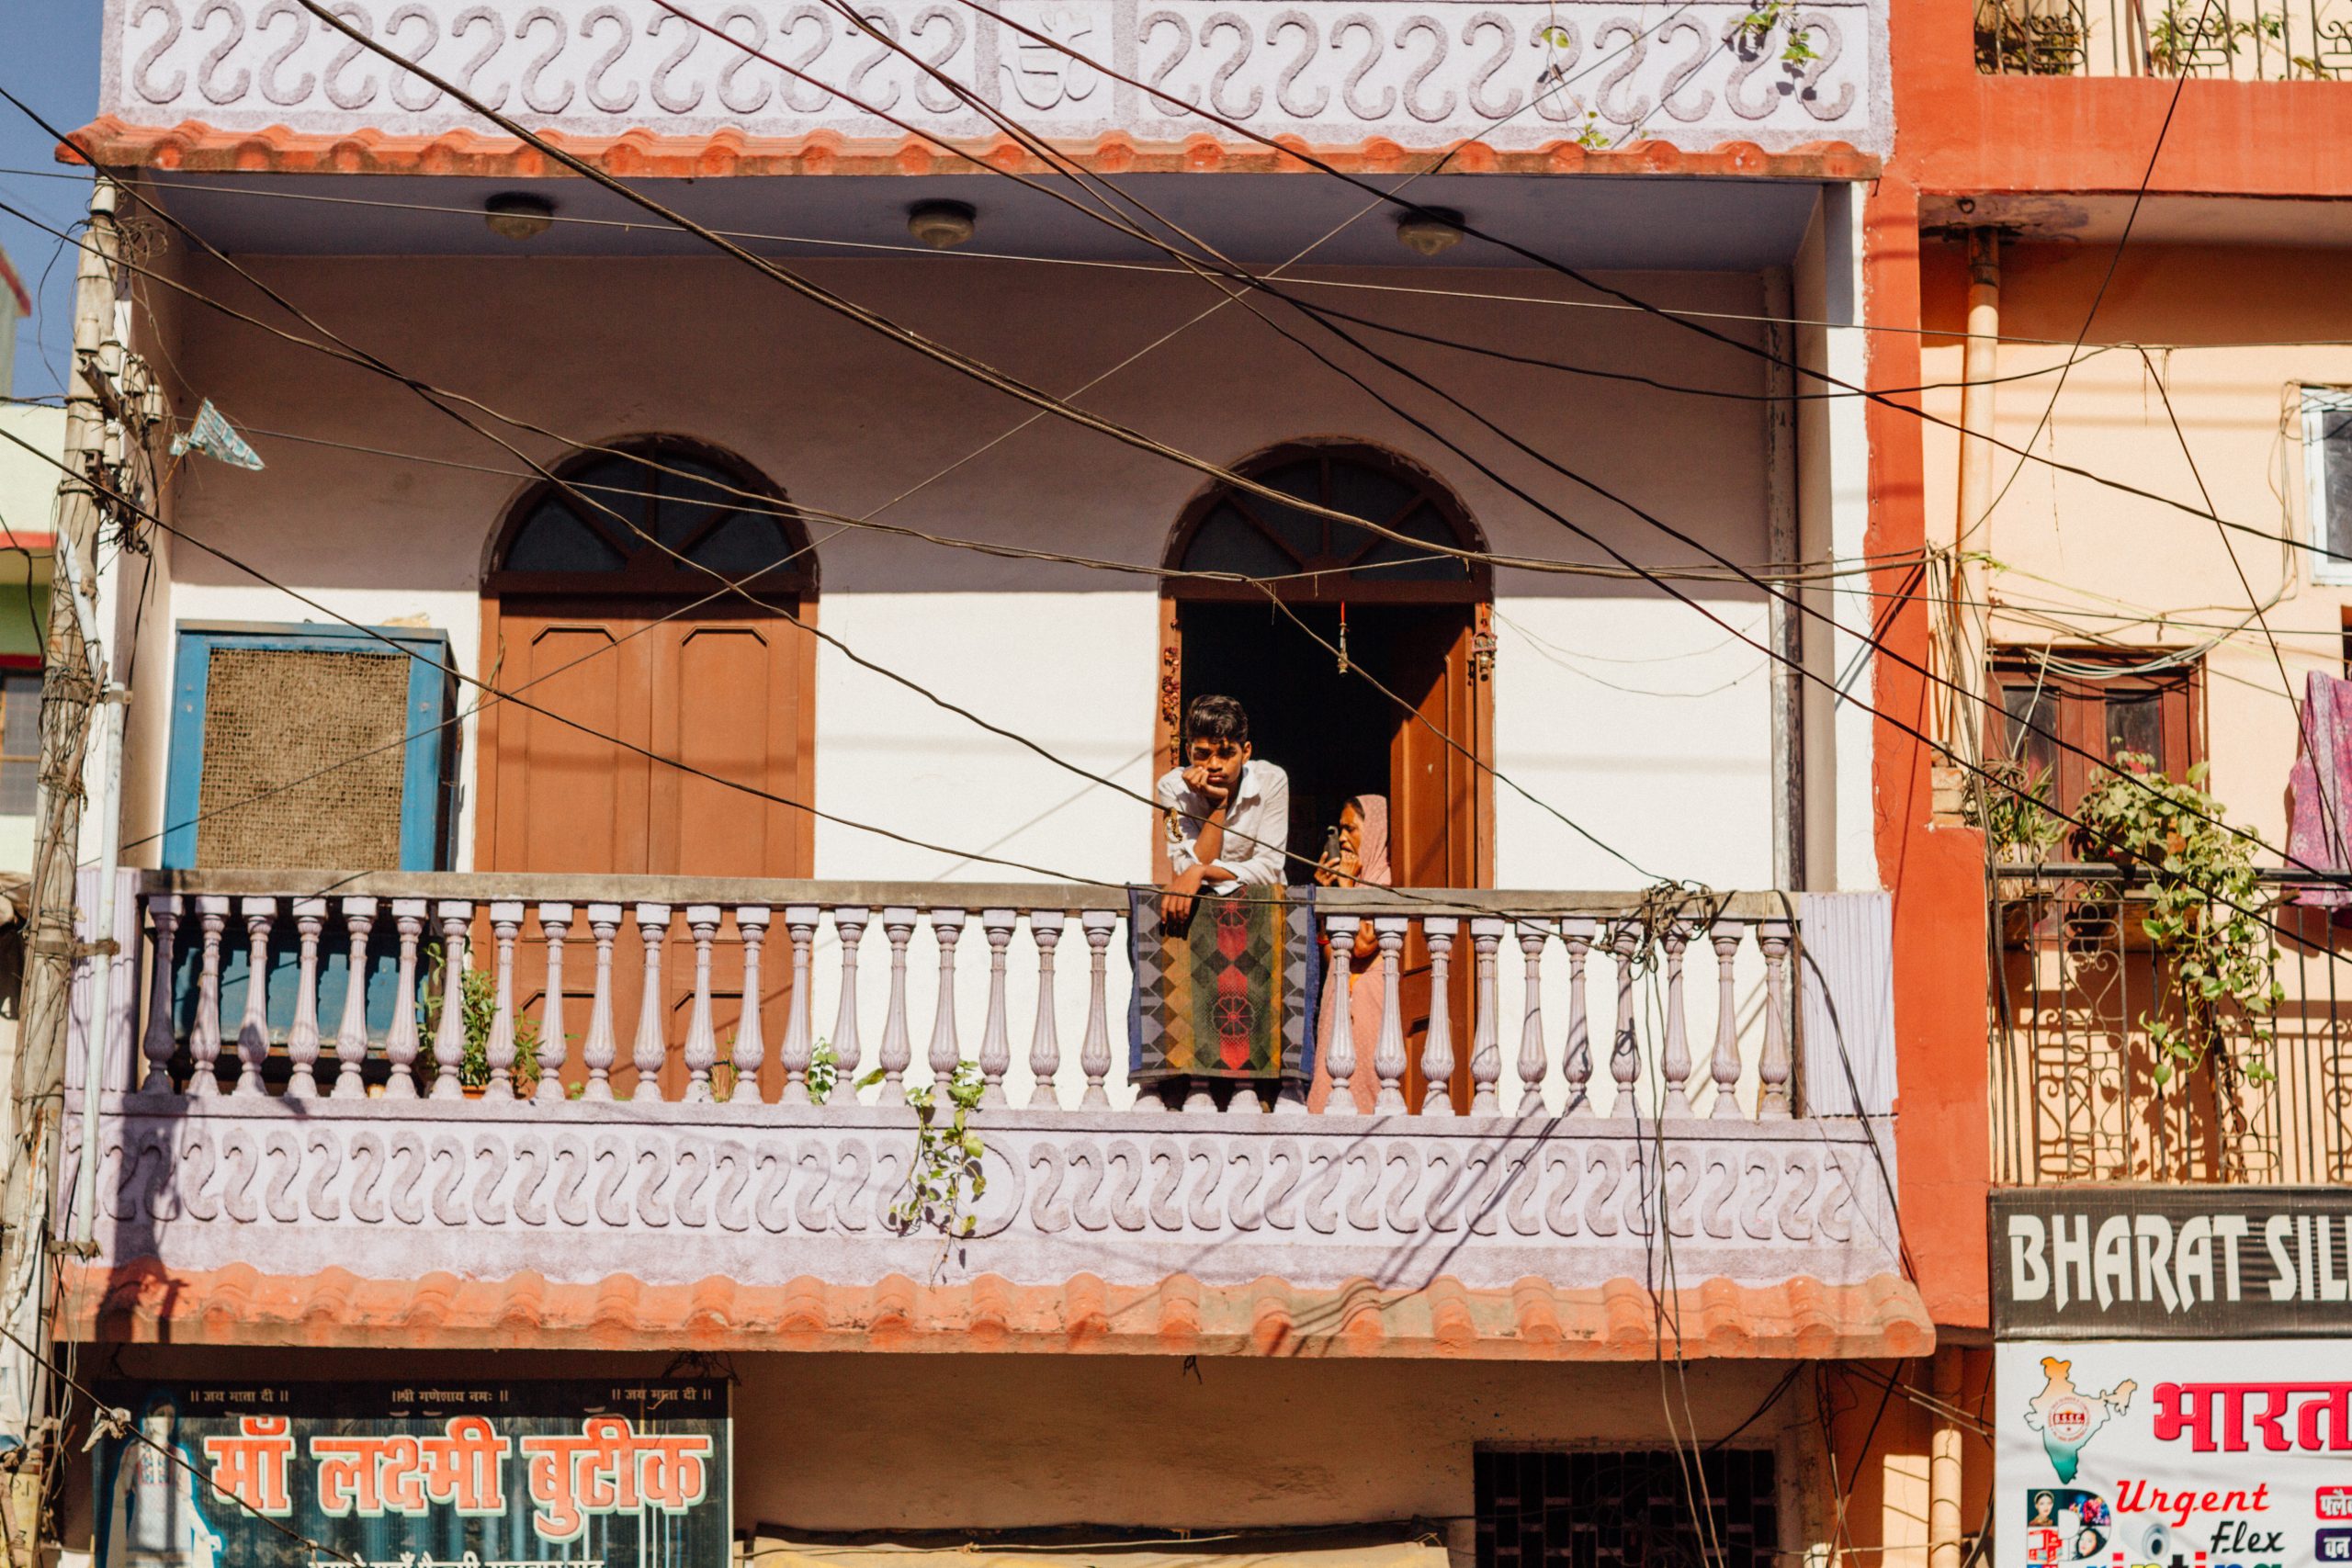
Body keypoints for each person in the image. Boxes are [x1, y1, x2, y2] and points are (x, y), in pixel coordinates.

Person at [1157, 694, 1290, 920]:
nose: (1214, 765)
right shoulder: (1170, 789)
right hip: (1198, 912)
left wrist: (1202, 871)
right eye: (1203, 754)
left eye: (1227, 754)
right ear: (1188, 752)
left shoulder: (1272, 781)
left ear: (1245, 752)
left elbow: (1269, 868)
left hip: (1263, 907)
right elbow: (1183, 865)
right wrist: (1219, 806)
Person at [1313, 795, 1388, 1111]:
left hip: (1371, 1006)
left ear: (1373, 833)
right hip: (1341, 1004)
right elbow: (1336, 957)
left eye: (1350, 829)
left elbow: (1362, 944)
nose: (1342, 838)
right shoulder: (1353, 882)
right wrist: (1326, 901)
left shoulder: (1385, 879)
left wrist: (1344, 891)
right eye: (1339, 830)